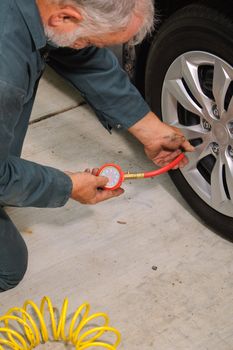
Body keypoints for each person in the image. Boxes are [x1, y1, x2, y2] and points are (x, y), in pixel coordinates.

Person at [0, 0, 194, 292]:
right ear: (65, 16)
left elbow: (82, 58)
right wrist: (66, 186)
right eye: (88, 40)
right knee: (9, 268)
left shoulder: (43, 10)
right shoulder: (5, 74)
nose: (85, 46)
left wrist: (151, 131)